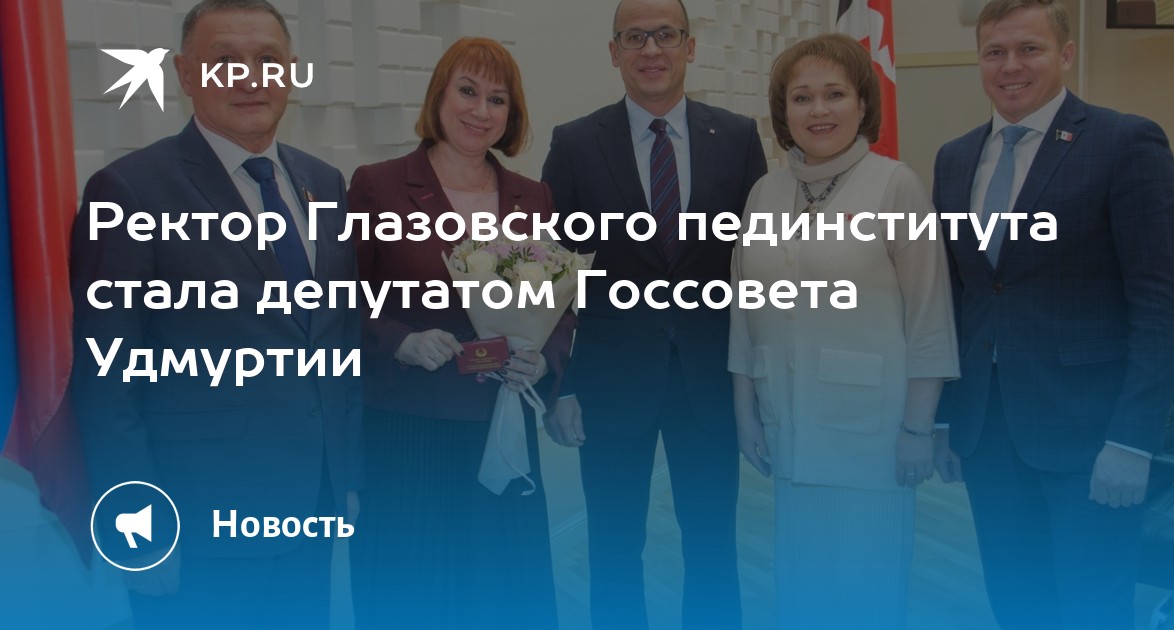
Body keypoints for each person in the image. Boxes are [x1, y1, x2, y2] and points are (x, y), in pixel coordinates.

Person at [69, 1, 362, 628]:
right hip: (195, 519)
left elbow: (341, 340)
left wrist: (347, 474)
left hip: (312, 505)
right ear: (185, 73)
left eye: (267, 60)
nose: (250, 77)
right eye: (224, 60)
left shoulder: (325, 182)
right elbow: (106, 379)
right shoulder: (129, 191)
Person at [932, 1, 1174, 628]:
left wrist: (1133, 440)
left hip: (1092, 436)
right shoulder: (954, 158)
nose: (1010, 66)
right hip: (989, 433)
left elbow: (1161, 307)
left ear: (1066, 55)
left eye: (1030, 49)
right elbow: (958, 299)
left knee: (1091, 607)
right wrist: (946, 418)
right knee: (1016, 601)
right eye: (995, 52)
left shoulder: (1124, 142)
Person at [541, 1, 767, 628]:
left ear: (689, 46)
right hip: (610, 383)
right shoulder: (575, 143)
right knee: (614, 549)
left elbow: (755, 269)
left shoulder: (739, 137)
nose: (651, 49)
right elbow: (553, 279)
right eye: (635, 37)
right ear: (613, 51)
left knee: (713, 547)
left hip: (709, 381)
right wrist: (563, 384)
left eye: (665, 34)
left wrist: (759, 383)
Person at [728, 33, 959, 629]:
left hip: (873, 438)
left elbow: (930, 316)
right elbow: (744, 311)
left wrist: (919, 429)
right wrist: (746, 413)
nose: (818, 110)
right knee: (801, 590)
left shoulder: (895, 185)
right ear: (783, 112)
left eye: (835, 94)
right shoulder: (764, 192)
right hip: (788, 425)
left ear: (862, 104)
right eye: (802, 97)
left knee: (866, 594)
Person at [347, 37, 573, 630]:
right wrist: (399, 340)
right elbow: (342, 300)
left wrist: (544, 360)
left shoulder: (534, 196)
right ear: (439, 97)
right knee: (415, 590)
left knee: (504, 595)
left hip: (503, 421)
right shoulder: (378, 185)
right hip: (410, 429)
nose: (480, 110)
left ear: (512, 114)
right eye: (467, 91)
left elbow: (561, 305)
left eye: (498, 99)